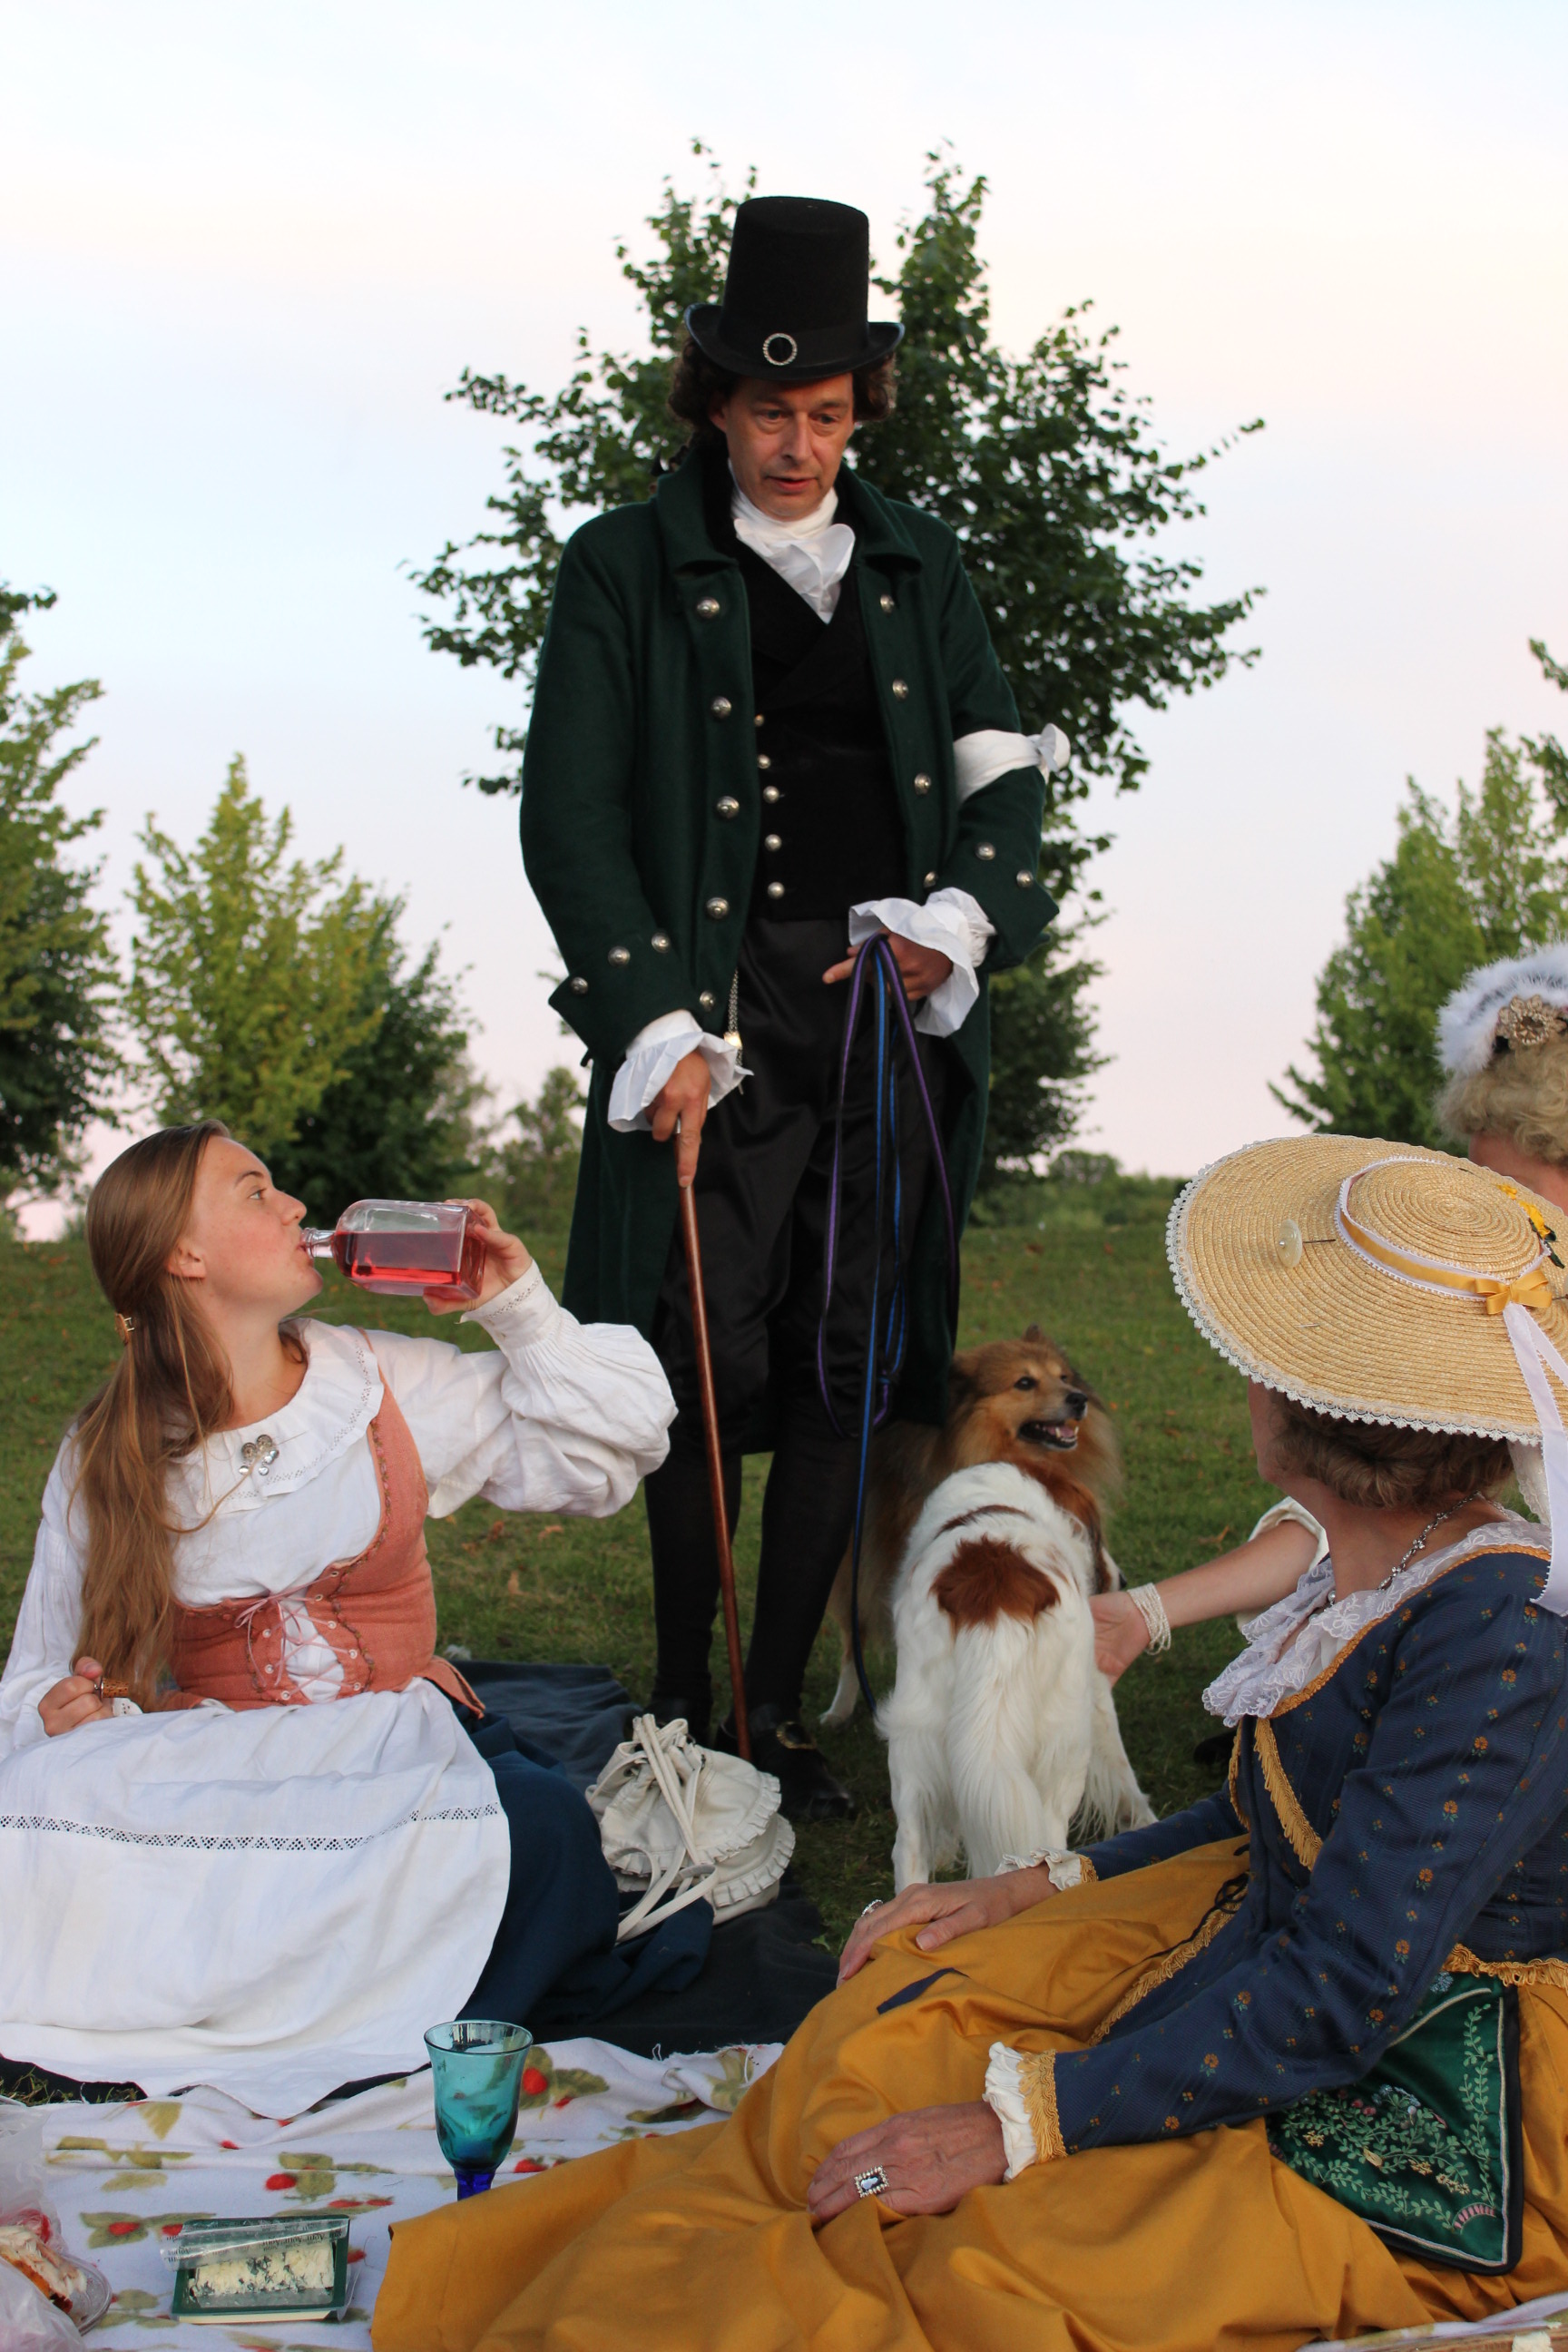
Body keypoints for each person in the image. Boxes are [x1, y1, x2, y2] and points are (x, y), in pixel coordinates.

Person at [373, 1136, 1568, 2352]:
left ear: (1297, 1404)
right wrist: (1027, 1884)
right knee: (882, 2033)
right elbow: (1276, 1811)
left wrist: (1019, 2122)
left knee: (983, 2268)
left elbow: (1350, 1987)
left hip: (1427, 2067)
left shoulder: (1500, 1627)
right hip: (1268, 1945)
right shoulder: (1373, 1563)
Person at [519, 194, 1063, 1816]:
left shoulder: (918, 563)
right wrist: (653, 1024)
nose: (796, 446)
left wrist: (954, 924)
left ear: (858, 411)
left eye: (826, 415)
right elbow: (570, 816)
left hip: (882, 1016)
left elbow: (1000, 773)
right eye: (770, 412)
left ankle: (776, 1712)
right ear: (715, 404)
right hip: (713, 1017)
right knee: (697, 1354)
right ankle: (685, 1692)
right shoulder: (621, 565)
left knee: (847, 1357)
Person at [0, 1122, 676, 2111]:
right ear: (185, 1255)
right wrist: (62, 1709)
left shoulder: (374, 1382)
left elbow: (618, 1447)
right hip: (228, 1762)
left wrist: (517, 1307)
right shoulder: (106, 1450)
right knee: (32, 1807)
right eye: (255, 1191)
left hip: (396, 1748)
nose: (294, 1207)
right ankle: (316, 1996)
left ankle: (290, 1998)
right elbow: (38, 1674)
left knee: (541, 1829)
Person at [1094, 945, 1568, 1682]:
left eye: (1513, 1189)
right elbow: (1361, 1504)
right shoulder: (1491, 1311)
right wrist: (1147, 1610)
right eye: (1476, 1178)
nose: (1487, 1208)